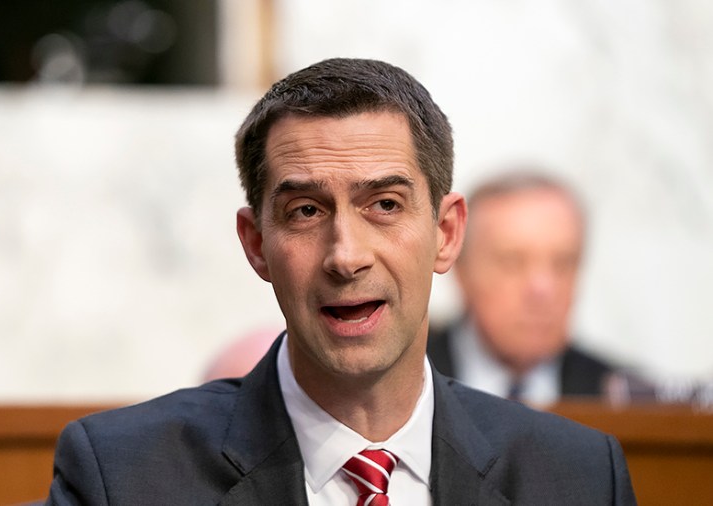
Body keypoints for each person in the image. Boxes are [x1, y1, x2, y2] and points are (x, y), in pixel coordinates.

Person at [45, 58, 635, 504]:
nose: (346, 256)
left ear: (447, 233)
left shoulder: (578, 476)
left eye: (383, 204)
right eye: (305, 211)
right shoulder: (121, 477)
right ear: (256, 245)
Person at [427, 171, 615, 405]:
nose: (543, 289)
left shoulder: (625, 402)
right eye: (513, 263)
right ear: (461, 272)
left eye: (563, 263)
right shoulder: (401, 386)